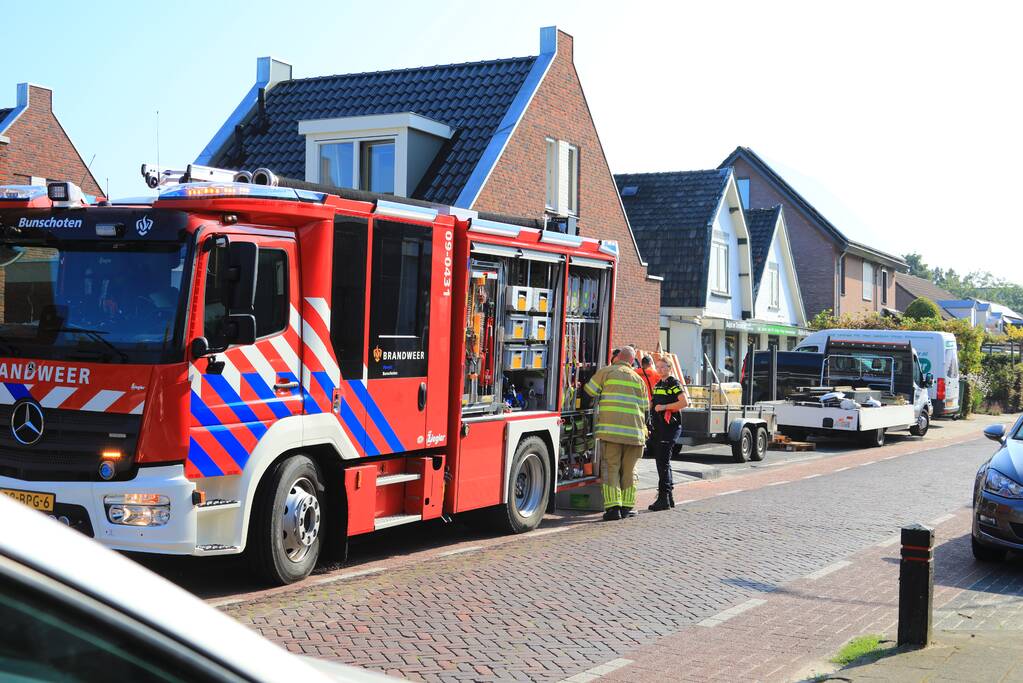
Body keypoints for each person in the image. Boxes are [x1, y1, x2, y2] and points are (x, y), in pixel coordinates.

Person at [584, 346, 649, 521]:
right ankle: (627, 507)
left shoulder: (607, 372)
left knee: (611, 469)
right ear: (632, 361)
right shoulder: (639, 379)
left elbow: (588, 392)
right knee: (629, 471)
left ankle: (613, 509)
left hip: (611, 433)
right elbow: (645, 409)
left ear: (617, 357)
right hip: (635, 435)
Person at [648, 357, 689, 511]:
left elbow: (684, 402)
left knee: (663, 461)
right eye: (657, 367)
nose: (660, 370)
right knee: (662, 461)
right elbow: (653, 404)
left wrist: (664, 407)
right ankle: (668, 497)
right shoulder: (658, 384)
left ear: (670, 368)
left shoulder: (673, 383)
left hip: (669, 427)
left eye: (663, 367)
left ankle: (663, 498)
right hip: (659, 428)